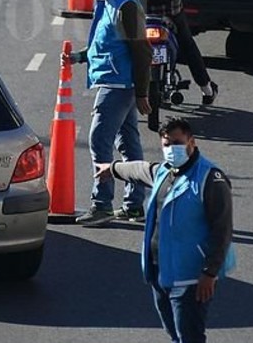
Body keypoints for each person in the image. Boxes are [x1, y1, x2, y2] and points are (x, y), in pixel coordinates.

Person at [96, 118, 236, 343]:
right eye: (167, 144)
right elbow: (141, 169)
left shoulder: (210, 179)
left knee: (189, 336)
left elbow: (222, 230)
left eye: (177, 143)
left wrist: (210, 272)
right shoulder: (164, 171)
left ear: (191, 142)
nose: (172, 149)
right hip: (160, 270)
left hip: (190, 276)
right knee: (174, 333)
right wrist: (112, 168)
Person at [65, 0, 153, 226]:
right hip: (115, 81)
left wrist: (142, 92)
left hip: (118, 85)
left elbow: (142, 52)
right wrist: (79, 57)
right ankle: (134, 206)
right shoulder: (108, 2)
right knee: (128, 144)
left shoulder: (125, 6)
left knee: (99, 140)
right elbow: (103, 45)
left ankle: (101, 204)